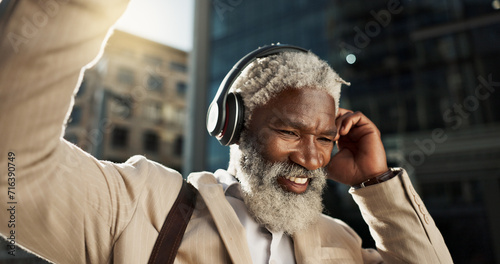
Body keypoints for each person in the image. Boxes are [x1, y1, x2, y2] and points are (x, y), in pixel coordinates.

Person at [0, 1, 453, 263]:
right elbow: (12, 172)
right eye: (290, 132)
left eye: (324, 139)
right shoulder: (142, 208)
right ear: (233, 125)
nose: (313, 159)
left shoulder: (342, 245)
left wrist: (377, 184)